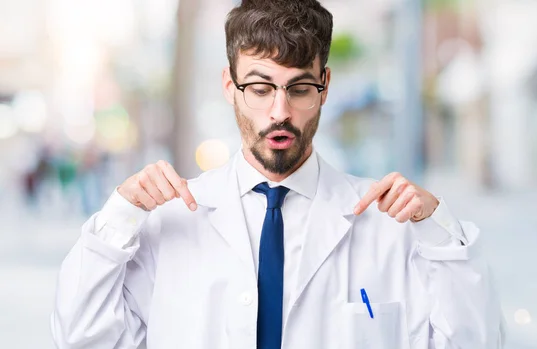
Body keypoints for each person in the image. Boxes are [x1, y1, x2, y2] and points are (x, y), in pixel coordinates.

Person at [51, 0, 505, 348]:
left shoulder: (392, 225)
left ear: (324, 87)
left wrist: (442, 234)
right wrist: (119, 217)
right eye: (261, 87)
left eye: (300, 88)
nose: (280, 112)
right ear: (230, 86)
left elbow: (475, 341)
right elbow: (81, 337)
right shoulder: (168, 222)